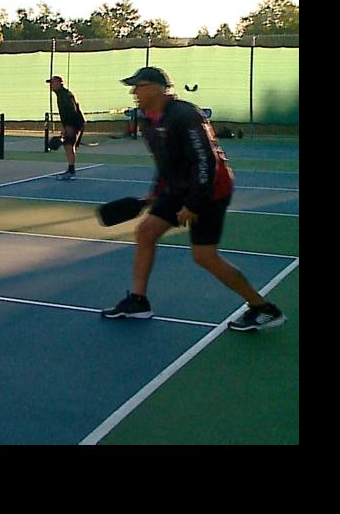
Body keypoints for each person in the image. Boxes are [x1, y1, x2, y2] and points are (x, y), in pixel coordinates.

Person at [100, 67, 286, 332]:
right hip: (178, 188)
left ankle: (263, 308)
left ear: (156, 88)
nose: (133, 92)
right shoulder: (148, 121)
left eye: (138, 86)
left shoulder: (185, 115)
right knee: (146, 231)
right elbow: (166, 162)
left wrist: (194, 203)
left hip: (210, 190)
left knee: (204, 256)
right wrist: (157, 191)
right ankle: (138, 301)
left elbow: (205, 161)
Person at [48, 75, 85, 179]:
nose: (51, 85)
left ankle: (71, 172)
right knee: (68, 145)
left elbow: (72, 111)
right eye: (50, 83)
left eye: (53, 83)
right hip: (72, 123)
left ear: (60, 83)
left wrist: (69, 127)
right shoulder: (60, 94)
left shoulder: (65, 95)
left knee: (69, 145)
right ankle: (70, 170)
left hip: (75, 123)